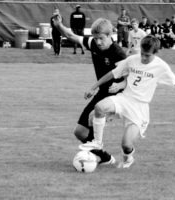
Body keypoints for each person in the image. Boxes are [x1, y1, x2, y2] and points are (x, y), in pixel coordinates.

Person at [79, 35, 175, 168]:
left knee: (126, 144)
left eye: (147, 55)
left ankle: (128, 158)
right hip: (124, 99)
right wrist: (94, 87)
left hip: (139, 108)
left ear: (156, 53)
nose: (143, 58)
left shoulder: (161, 66)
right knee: (99, 107)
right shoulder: (132, 60)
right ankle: (98, 142)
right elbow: (113, 73)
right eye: (142, 54)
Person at [53, 15, 127, 164]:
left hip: (119, 96)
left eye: (101, 38)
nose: (98, 42)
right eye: (96, 38)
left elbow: (131, 79)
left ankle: (98, 148)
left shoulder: (118, 53)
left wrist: (119, 85)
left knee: (95, 115)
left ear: (109, 35)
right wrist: (59, 25)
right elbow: (70, 35)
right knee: (80, 132)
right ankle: (105, 158)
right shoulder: (92, 43)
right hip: (102, 93)